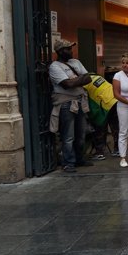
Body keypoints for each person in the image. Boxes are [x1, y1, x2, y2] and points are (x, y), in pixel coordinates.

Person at [49, 39, 93, 173]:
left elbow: (88, 78)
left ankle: (79, 158)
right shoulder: (55, 67)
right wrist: (79, 79)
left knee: (81, 133)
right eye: (68, 49)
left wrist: (74, 80)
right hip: (65, 103)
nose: (71, 51)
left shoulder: (76, 62)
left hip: (80, 101)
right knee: (68, 135)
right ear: (60, 51)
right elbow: (67, 85)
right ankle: (68, 162)